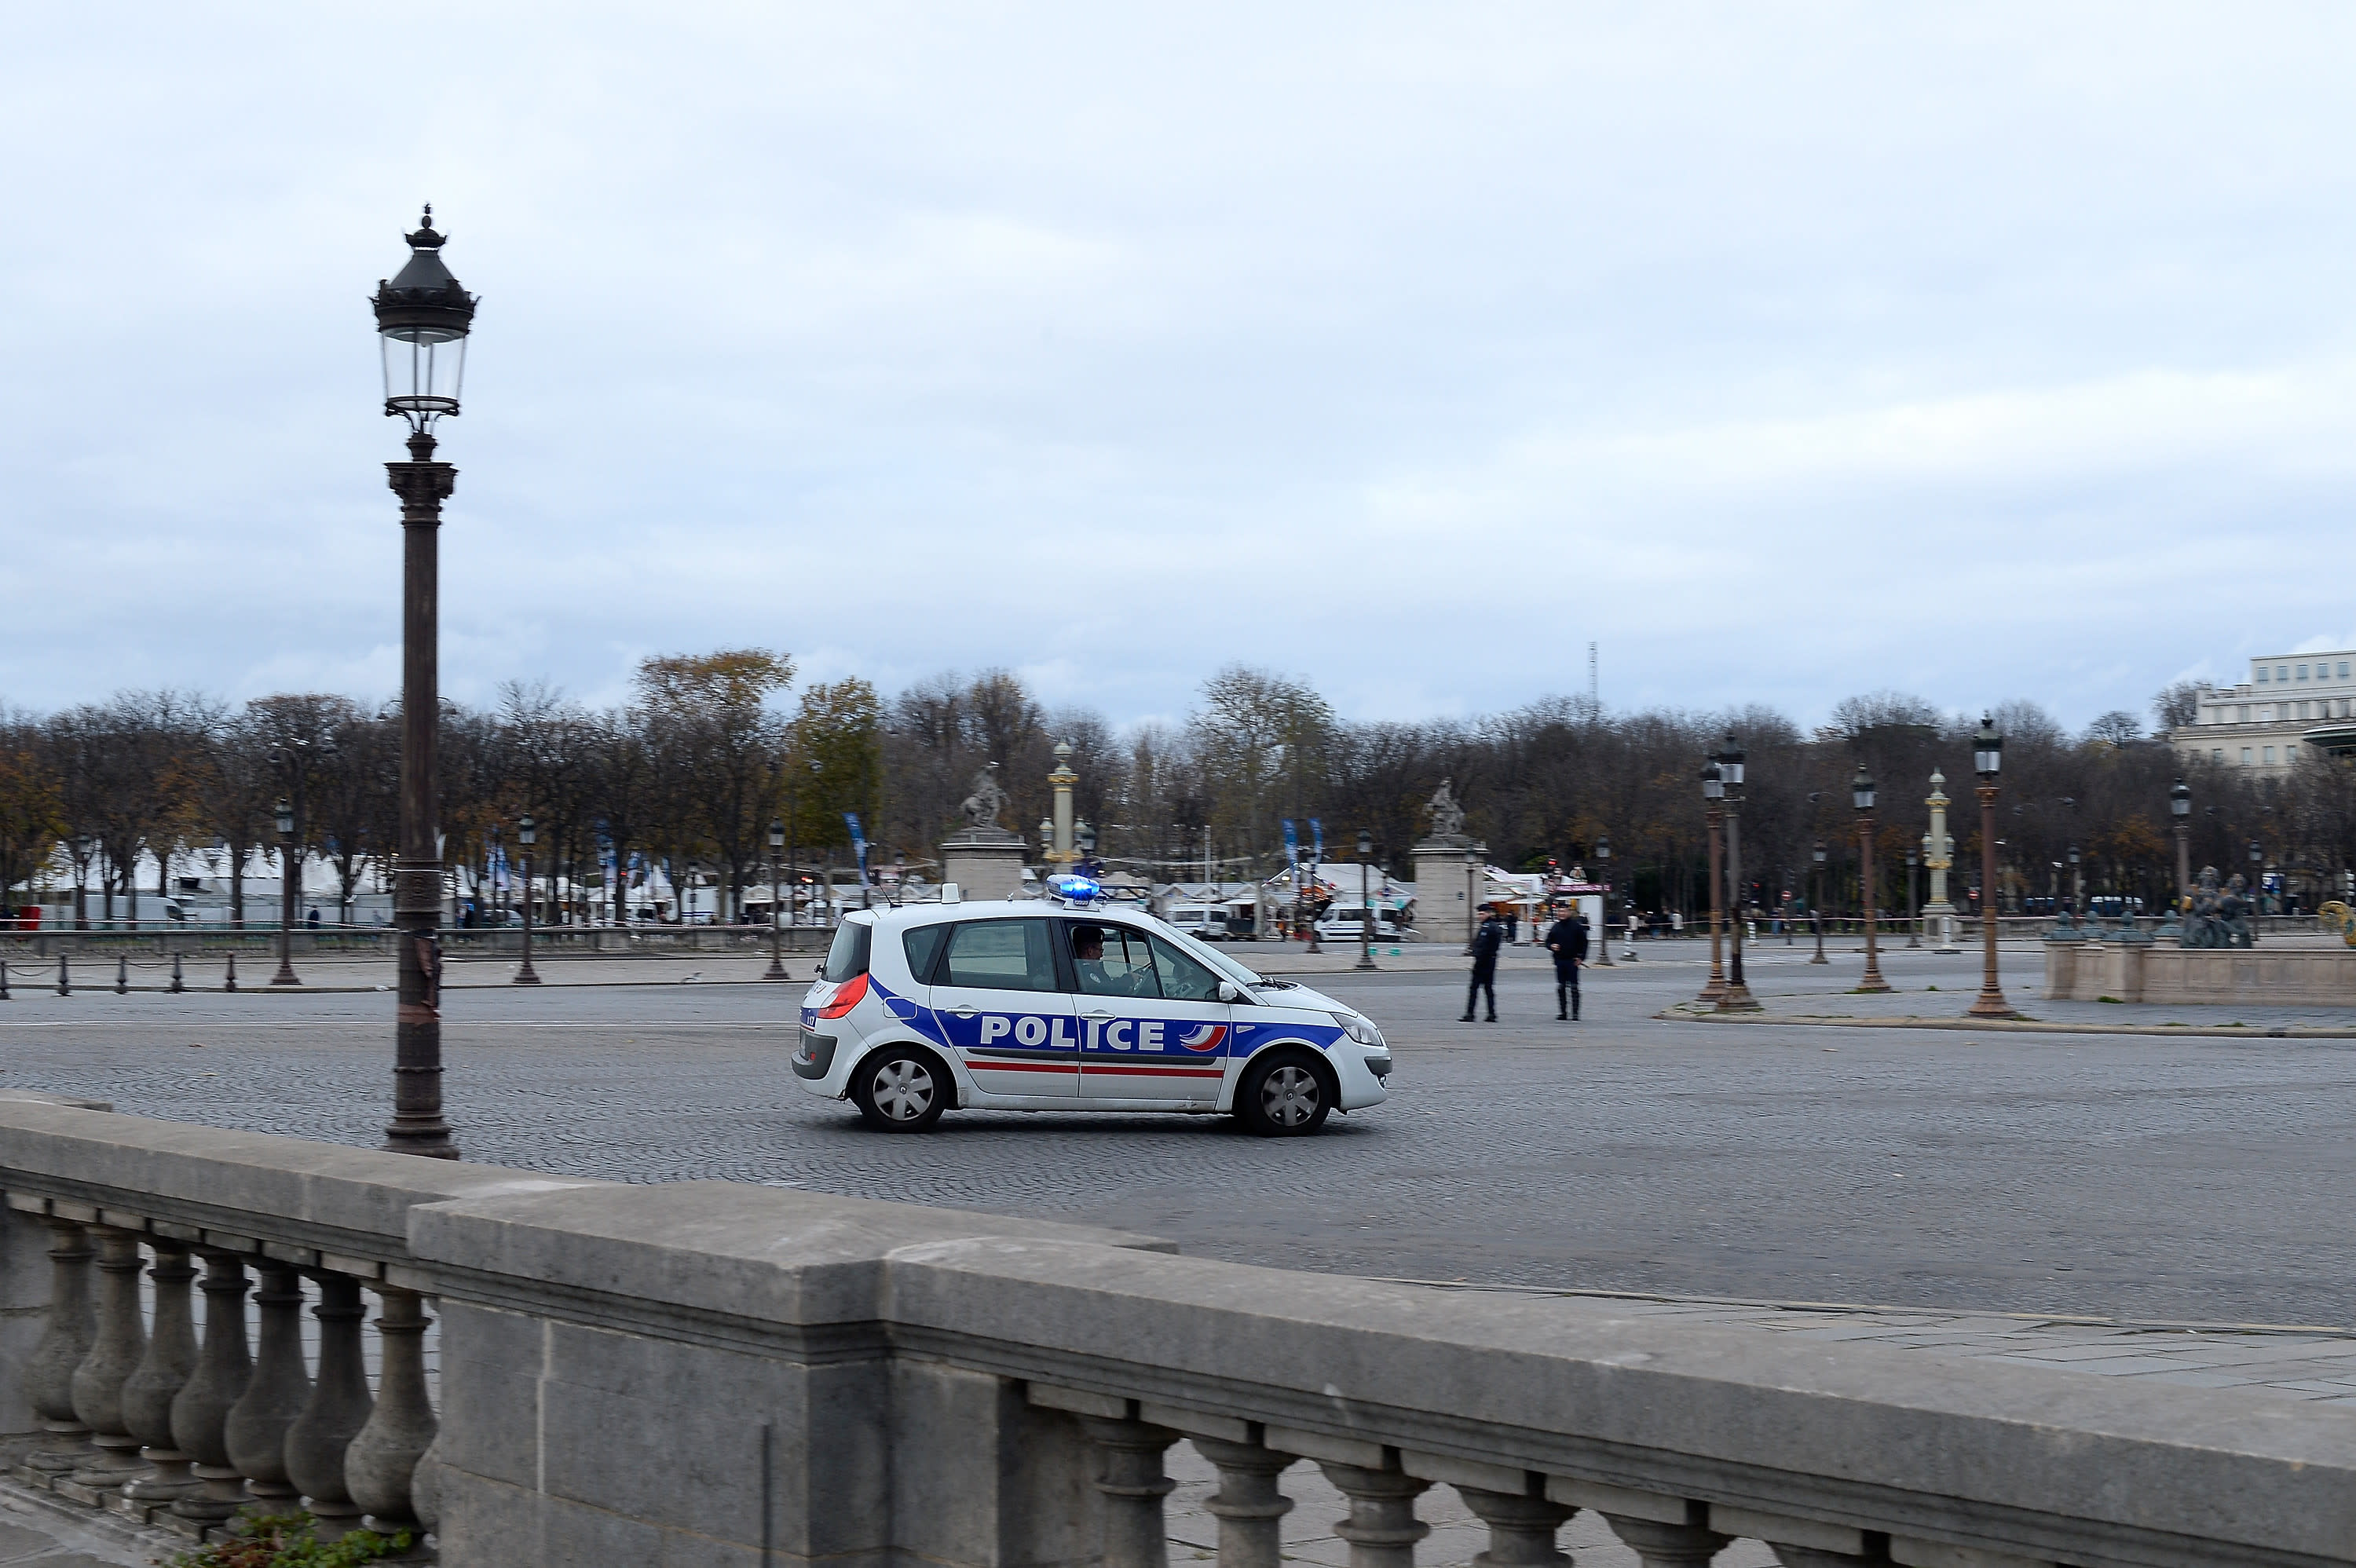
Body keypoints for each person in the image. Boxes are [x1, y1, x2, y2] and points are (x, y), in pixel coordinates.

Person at [1460, 902, 1506, 1022]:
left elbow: (1488, 946)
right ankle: (1491, 1014)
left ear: (1488, 914)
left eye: (1482, 914)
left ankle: (1471, 1014)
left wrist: (1479, 957)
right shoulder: (1488, 926)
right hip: (1488, 961)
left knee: (1476, 988)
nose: (1480, 916)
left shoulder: (1490, 927)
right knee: (1487, 989)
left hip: (1485, 962)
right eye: (1479, 914)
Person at [1543, 902, 1589, 1021]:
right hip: (1560, 961)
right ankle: (1563, 1012)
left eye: (1564, 911)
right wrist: (1551, 946)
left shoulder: (1576, 927)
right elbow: (1547, 941)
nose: (1561, 914)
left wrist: (1581, 957)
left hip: (1572, 961)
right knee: (1561, 987)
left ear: (1569, 912)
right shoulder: (1556, 927)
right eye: (1560, 911)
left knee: (1574, 987)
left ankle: (1575, 1013)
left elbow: (1584, 943)